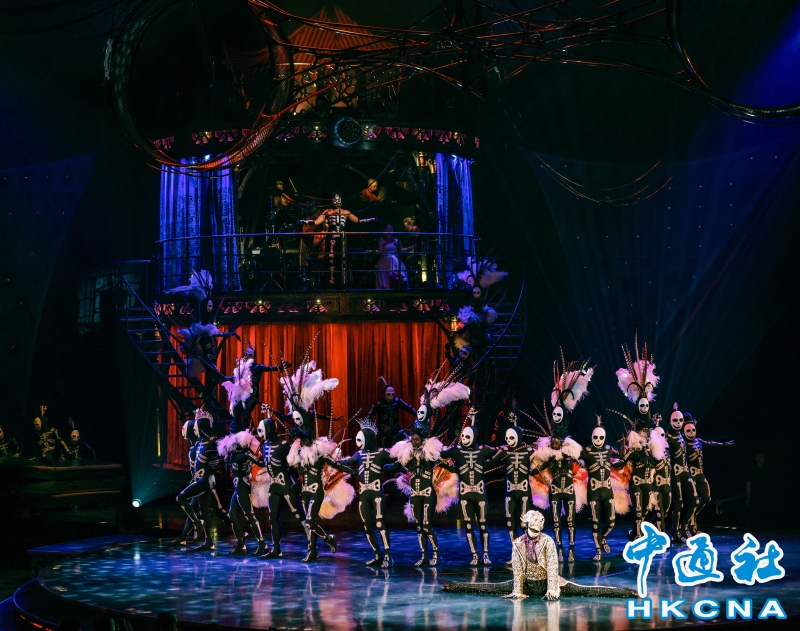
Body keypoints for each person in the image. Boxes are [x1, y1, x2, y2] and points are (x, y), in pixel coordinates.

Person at [441, 510, 636, 599]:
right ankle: (454, 586)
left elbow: (552, 566)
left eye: (537, 529)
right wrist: (518, 591)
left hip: (548, 583)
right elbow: (517, 568)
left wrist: (552, 589)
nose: (535, 532)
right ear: (525, 526)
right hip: (526, 583)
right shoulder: (518, 543)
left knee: (586, 590)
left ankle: (626, 592)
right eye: (531, 528)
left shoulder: (548, 541)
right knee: (491, 588)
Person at [390, 417, 458, 567]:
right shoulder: (408, 456)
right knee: (419, 527)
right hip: (415, 494)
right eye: (412, 439)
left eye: (417, 439)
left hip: (428, 494)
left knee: (427, 526)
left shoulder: (430, 454)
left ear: (422, 440)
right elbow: (393, 465)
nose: (414, 442)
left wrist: (460, 470)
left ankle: (437, 554)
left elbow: (446, 465)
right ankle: (424, 556)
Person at [337, 418, 398, 568]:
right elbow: (346, 463)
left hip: (376, 493)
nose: (358, 443)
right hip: (364, 495)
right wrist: (334, 459)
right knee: (367, 526)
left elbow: (397, 459)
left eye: (361, 439)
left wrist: (389, 467)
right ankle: (377, 554)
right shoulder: (359, 454)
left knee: (380, 523)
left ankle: (388, 556)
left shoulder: (381, 453)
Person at [441, 407, 497, 566]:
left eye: (467, 436)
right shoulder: (457, 451)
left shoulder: (482, 451)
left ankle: (485, 554)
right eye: (463, 436)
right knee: (468, 525)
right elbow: (441, 454)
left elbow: (499, 452)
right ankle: (474, 555)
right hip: (465, 493)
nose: (464, 439)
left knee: (483, 525)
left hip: (479, 493)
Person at [256, 413, 303, 558]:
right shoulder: (265, 445)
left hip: (286, 485)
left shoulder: (284, 445)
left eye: (262, 429)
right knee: (273, 517)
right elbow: (263, 463)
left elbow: (293, 464)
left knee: (299, 515)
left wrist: (299, 484)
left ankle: (313, 547)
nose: (261, 433)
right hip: (274, 486)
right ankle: (276, 549)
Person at [217, 430, 268, 556]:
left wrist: (267, 454)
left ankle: (262, 545)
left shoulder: (245, 452)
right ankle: (240, 544)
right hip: (238, 488)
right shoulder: (234, 453)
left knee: (250, 515)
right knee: (232, 515)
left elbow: (260, 462)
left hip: (242, 487)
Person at [682, 414, 735, 534]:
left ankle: (692, 518)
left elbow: (711, 443)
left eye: (693, 430)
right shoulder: (683, 444)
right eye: (688, 431)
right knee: (693, 501)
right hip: (690, 476)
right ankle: (687, 525)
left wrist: (725, 444)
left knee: (706, 497)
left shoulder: (698, 441)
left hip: (700, 474)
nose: (691, 433)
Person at [221, 343, 283, 434]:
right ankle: (239, 429)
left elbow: (269, 368)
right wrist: (222, 377)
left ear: (253, 356)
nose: (247, 356)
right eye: (246, 354)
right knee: (238, 410)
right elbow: (233, 378)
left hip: (253, 395)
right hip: (242, 394)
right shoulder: (241, 369)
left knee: (246, 412)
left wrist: (280, 367)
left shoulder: (258, 367)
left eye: (250, 355)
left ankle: (247, 431)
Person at [366, 381, 417, 447]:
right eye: (388, 394)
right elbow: (369, 416)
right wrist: (365, 428)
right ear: (385, 394)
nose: (391, 396)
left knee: (408, 441)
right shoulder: (379, 404)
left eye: (392, 394)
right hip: (384, 433)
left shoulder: (397, 401)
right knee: (386, 451)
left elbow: (408, 407)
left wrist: (418, 415)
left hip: (396, 430)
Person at [376, 225, 407, 289]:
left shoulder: (397, 240)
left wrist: (397, 245)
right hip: (385, 259)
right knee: (391, 258)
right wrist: (385, 244)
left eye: (390, 229)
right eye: (387, 229)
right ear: (385, 231)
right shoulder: (382, 240)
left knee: (392, 258)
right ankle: (400, 277)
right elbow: (380, 252)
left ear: (393, 230)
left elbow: (400, 251)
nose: (389, 231)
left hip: (395, 258)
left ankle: (391, 282)